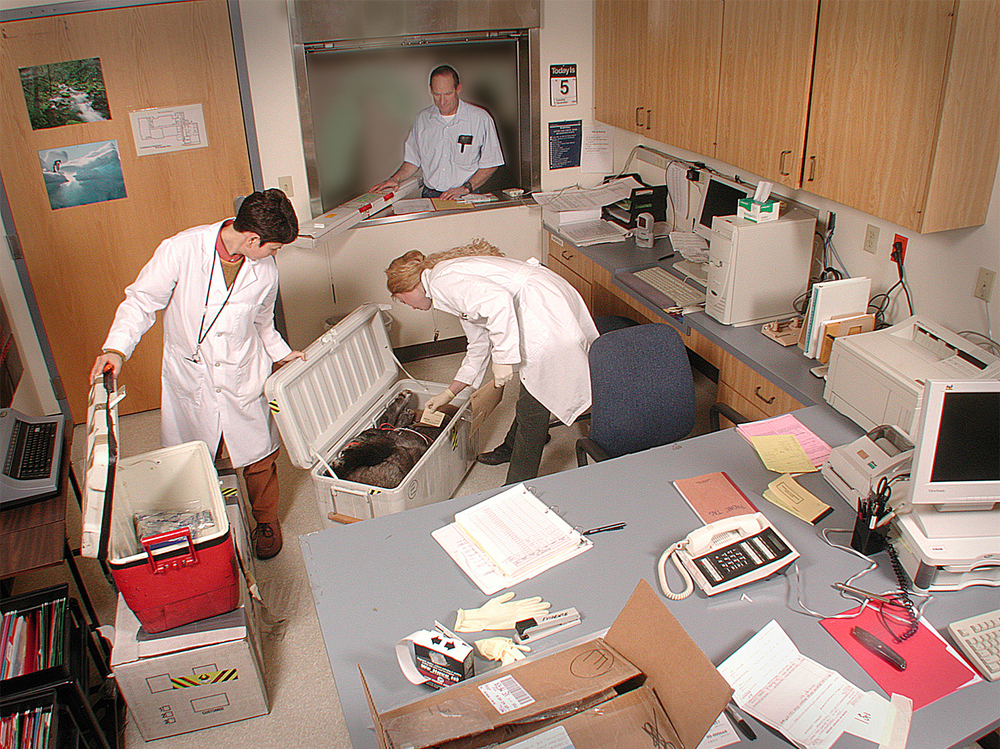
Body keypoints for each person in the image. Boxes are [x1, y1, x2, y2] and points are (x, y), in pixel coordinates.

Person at [89, 189, 303, 560]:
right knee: (197, 456)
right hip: (192, 374)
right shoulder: (181, 249)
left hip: (242, 370)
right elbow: (142, 302)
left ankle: (266, 520)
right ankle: (207, 526)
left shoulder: (264, 268)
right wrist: (116, 348)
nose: (275, 255)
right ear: (252, 239)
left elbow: (263, 323)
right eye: (274, 247)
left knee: (258, 457)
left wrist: (284, 356)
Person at [386, 239, 598, 485]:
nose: (408, 307)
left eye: (402, 300)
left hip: (542, 307)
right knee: (533, 387)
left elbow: (498, 302)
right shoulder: (441, 285)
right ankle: (510, 447)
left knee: (536, 396)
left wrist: (503, 359)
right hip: (533, 300)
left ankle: (516, 484)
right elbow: (477, 344)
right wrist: (449, 392)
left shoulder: (443, 282)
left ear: (409, 288)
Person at [372, 65, 504, 200]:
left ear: (458, 89)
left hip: (466, 195)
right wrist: (395, 179)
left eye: (447, 94)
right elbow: (413, 160)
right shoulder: (422, 119)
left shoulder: (480, 118)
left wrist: (466, 188)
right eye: (437, 94)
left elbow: (492, 163)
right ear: (430, 90)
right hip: (430, 195)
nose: (442, 101)